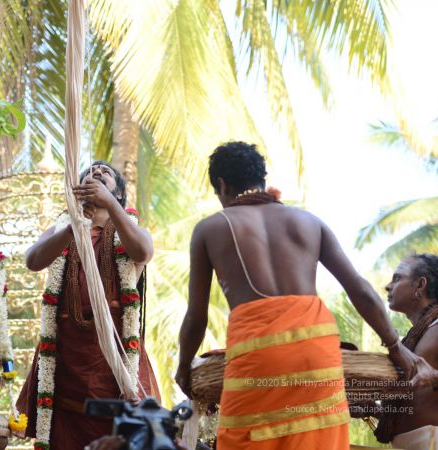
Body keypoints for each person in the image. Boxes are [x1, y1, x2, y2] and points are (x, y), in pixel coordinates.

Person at [175, 142, 421, 450]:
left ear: (222, 185)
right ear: (262, 178)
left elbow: (196, 317)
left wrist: (184, 367)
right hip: (315, 353)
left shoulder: (210, 228)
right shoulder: (308, 222)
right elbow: (360, 291)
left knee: (248, 437)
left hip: (257, 357)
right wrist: (395, 346)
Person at [16, 161, 160, 449]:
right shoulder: (62, 228)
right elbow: (33, 261)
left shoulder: (130, 228)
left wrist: (110, 206)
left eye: (106, 173)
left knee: (123, 430)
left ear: (118, 194)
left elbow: (143, 252)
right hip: (66, 353)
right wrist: (74, 227)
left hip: (116, 353)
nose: (97, 173)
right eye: (90, 172)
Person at [373, 253, 438, 450]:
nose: (388, 286)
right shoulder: (413, 338)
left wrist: (434, 377)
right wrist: (372, 409)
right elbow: (414, 407)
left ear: (420, 285)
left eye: (397, 278)